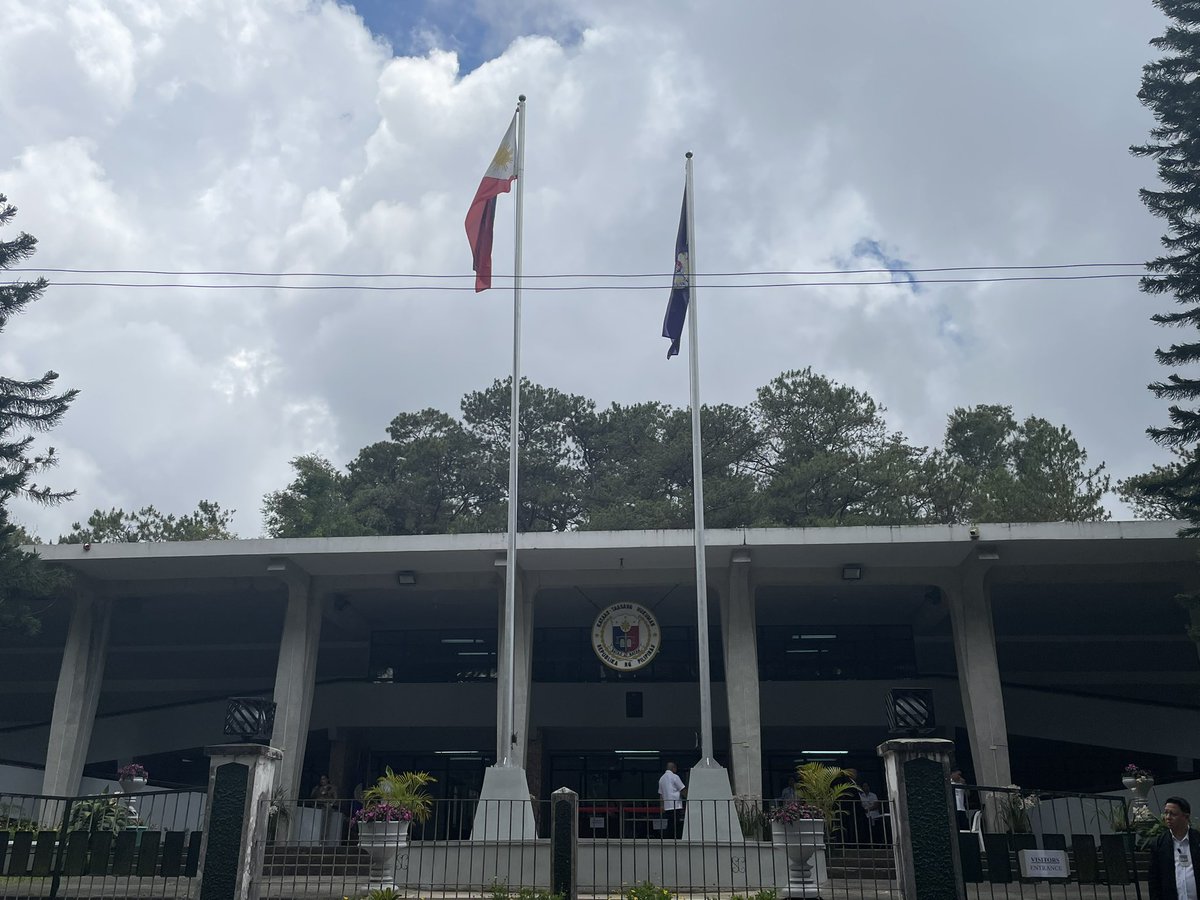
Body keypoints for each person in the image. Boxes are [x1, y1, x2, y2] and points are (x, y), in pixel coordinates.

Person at [1148, 796, 1200, 900]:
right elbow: (1154, 880)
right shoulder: (1159, 843)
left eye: (1173, 814)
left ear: (1186, 817)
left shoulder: (1197, 840)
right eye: (1166, 813)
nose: (1168, 817)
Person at [658, 762, 686, 839]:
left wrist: (662, 806)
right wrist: (689, 798)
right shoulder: (675, 777)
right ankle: (675, 838)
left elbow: (661, 794)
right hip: (676, 805)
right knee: (676, 823)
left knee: (670, 823)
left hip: (667, 806)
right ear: (674, 768)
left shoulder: (661, 779)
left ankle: (667, 838)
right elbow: (682, 789)